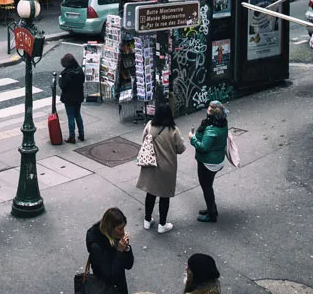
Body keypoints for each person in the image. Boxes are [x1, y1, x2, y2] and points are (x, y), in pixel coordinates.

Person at [136, 100, 185, 234]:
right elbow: (181, 149)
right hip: (167, 167)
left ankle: (147, 220)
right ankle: (162, 224)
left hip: (150, 165)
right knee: (164, 196)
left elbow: (143, 141)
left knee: (150, 193)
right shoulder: (173, 130)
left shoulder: (149, 125)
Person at [189, 99, 228, 223]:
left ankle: (212, 214)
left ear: (211, 114)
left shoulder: (211, 130)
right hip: (217, 159)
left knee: (207, 188)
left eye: (208, 109)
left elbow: (203, 147)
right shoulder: (222, 123)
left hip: (208, 163)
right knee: (208, 186)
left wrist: (192, 138)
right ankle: (211, 208)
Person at [85, 207, 134, 294]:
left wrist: (126, 248)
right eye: (120, 229)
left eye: (123, 228)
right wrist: (119, 251)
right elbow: (109, 278)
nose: (123, 232)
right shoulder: (97, 247)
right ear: (110, 228)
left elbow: (128, 265)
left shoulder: (116, 238)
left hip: (120, 287)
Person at [58, 52, 85, 143]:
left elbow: (63, 86)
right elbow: (82, 81)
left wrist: (60, 79)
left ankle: (72, 137)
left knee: (70, 117)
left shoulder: (66, 74)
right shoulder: (80, 70)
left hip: (69, 98)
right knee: (78, 115)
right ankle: (81, 134)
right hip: (78, 96)